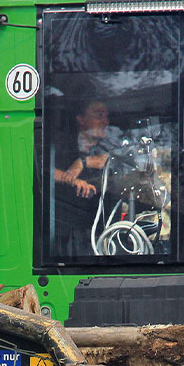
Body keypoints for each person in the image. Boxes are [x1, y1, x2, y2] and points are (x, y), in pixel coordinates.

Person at [51, 100, 120, 256]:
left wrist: (84, 162)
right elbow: (41, 168)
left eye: (106, 116)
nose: (105, 122)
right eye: (99, 115)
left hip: (96, 233)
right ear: (80, 119)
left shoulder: (106, 146)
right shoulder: (61, 144)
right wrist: (70, 179)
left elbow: (122, 159)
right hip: (61, 236)